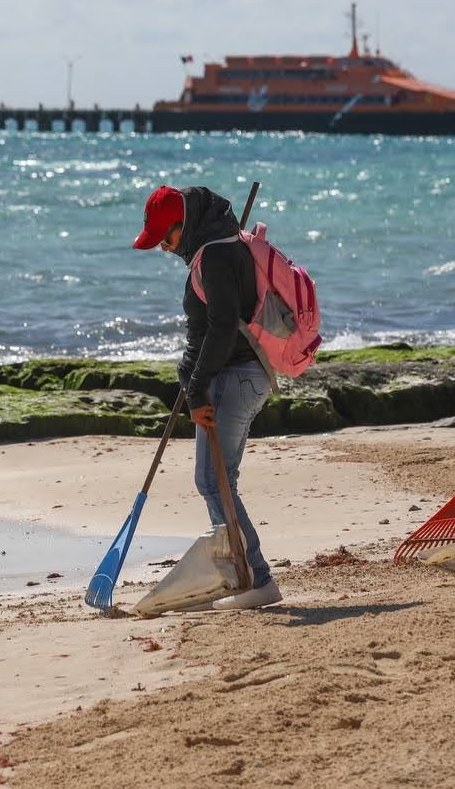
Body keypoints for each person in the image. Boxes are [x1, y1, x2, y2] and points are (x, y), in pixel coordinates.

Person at [132, 185, 281, 609]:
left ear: (185, 224)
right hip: (238, 375)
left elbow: (220, 328)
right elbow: (205, 329)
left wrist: (196, 388)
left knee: (214, 481)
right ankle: (244, 574)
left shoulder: (214, 254)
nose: (163, 246)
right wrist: (190, 378)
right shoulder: (213, 247)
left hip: (235, 377)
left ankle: (255, 579)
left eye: (167, 236)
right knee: (215, 481)